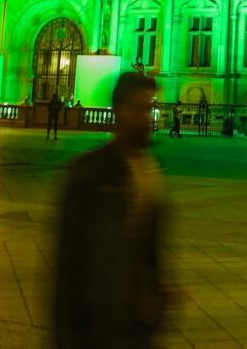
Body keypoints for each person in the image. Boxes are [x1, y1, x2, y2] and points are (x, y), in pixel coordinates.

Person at [55, 72, 169, 348]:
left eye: (149, 108)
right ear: (119, 111)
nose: (147, 119)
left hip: (135, 328)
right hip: (98, 329)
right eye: (140, 109)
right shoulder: (87, 173)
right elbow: (68, 265)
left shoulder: (149, 169)